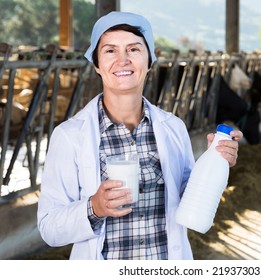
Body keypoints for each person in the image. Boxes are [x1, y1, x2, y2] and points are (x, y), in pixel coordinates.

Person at [37, 11, 242, 260]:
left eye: (134, 49)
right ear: (97, 65)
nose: (122, 60)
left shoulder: (173, 127)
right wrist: (94, 208)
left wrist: (214, 163)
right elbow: (48, 227)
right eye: (110, 51)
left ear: (150, 60)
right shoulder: (69, 136)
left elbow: (190, 202)